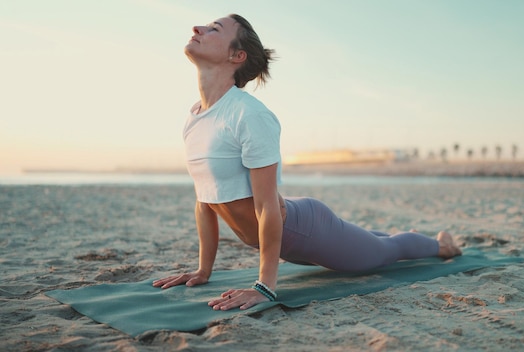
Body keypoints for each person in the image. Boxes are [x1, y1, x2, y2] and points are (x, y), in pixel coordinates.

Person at [152, 14, 462, 311]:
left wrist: (264, 287)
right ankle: (386, 236)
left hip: (303, 228)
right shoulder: (195, 118)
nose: (198, 28)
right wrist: (203, 270)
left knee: (384, 252)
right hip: (286, 237)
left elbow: (266, 207)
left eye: (214, 29)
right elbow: (205, 200)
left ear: (237, 56)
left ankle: (442, 245)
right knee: (365, 241)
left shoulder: (249, 115)